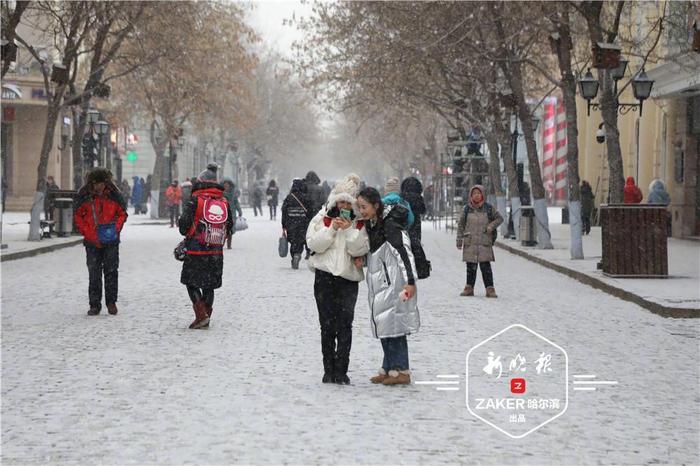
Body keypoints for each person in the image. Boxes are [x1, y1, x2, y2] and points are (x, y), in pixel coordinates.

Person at [306, 174, 369, 385]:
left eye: (348, 203)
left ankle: (341, 370)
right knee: (326, 326)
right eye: (341, 201)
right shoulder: (322, 218)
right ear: (335, 201)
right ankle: (328, 369)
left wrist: (349, 229)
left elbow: (359, 248)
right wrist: (332, 228)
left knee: (345, 326)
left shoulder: (359, 224)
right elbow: (314, 244)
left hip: (348, 280)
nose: (344, 206)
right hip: (324, 278)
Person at [357, 186, 418, 386]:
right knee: (384, 325)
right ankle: (388, 367)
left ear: (376, 205)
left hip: (395, 284)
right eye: (360, 207)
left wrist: (410, 282)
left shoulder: (390, 226)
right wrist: (364, 262)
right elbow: (376, 253)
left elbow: (404, 253)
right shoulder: (373, 225)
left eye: (364, 206)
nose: (361, 210)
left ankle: (401, 370)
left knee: (396, 326)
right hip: (380, 284)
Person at [178, 164, 233, 329]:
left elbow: (183, 226)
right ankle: (206, 313)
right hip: (215, 250)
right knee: (209, 284)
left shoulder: (195, 200)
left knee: (191, 282)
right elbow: (229, 226)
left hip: (196, 249)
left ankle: (201, 315)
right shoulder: (223, 201)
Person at [74, 168, 128, 316]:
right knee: (94, 273)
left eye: (101, 183)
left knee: (111, 272)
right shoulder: (84, 196)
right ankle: (94, 304)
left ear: (106, 183)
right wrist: (87, 231)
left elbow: (122, 213)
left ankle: (111, 302)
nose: (98, 187)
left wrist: (115, 229)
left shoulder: (114, 196)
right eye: (96, 183)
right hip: (92, 242)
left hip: (111, 241)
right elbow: (78, 216)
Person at [456, 185, 503, 298]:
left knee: (485, 266)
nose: (477, 195)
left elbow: (499, 218)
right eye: (474, 193)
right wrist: (459, 240)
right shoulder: (467, 209)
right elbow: (461, 225)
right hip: (470, 241)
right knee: (470, 267)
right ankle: (469, 288)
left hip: (484, 242)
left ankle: (490, 289)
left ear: (483, 194)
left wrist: (491, 226)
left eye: (479, 193)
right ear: (471, 196)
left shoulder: (489, 208)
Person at [282, 178, 313, 269]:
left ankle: (294, 255)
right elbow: (310, 212)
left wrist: (284, 225)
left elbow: (284, 212)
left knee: (293, 242)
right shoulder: (306, 198)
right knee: (300, 241)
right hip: (303, 224)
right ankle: (297, 254)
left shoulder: (289, 197)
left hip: (291, 224)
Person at [222, 179, 242, 249]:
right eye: (224, 186)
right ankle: (222, 243)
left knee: (230, 230)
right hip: (223, 213)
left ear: (230, 186)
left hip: (232, 213)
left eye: (227, 186)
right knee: (223, 229)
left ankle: (229, 245)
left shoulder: (233, 195)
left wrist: (239, 211)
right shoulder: (220, 194)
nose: (226, 187)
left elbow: (236, 203)